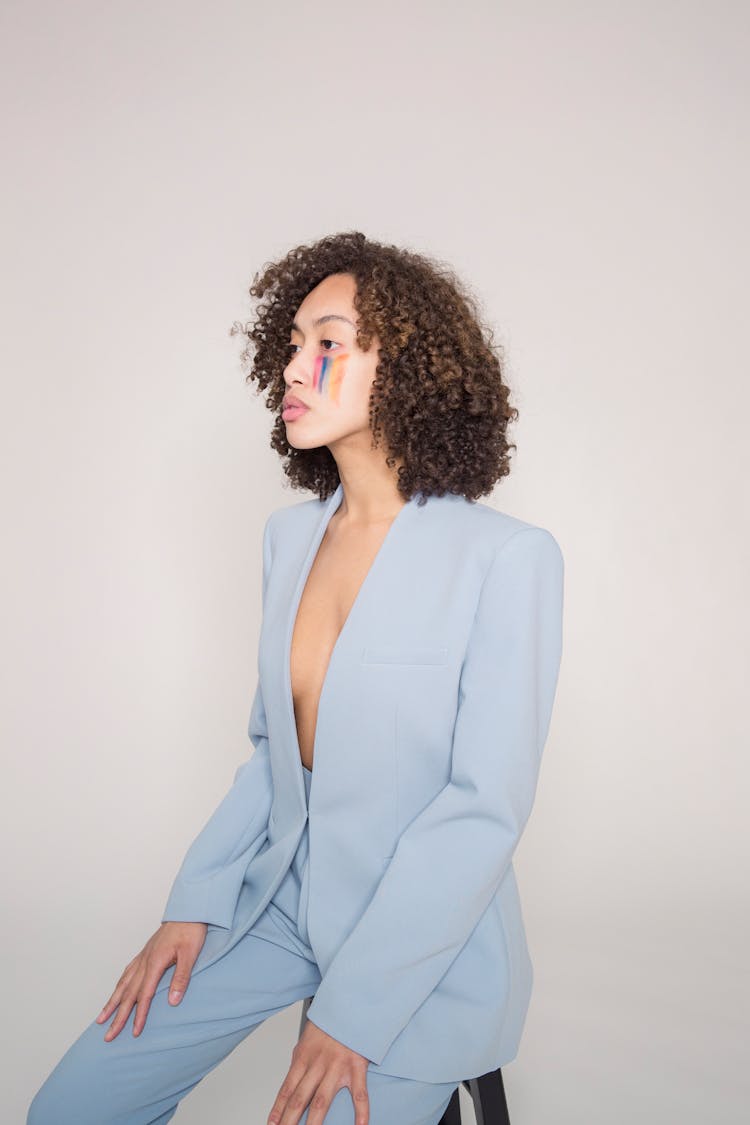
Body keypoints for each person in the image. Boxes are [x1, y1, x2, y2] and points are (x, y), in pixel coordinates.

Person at [27, 231, 564, 1125]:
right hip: (276, 896)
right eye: (290, 345)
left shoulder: (505, 558)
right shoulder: (289, 539)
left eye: (329, 342)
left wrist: (352, 1013)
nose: (294, 368)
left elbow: (483, 809)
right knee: (72, 1107)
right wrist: (196, 901)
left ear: (410, 369)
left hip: (417, 941)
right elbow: (275, 751)